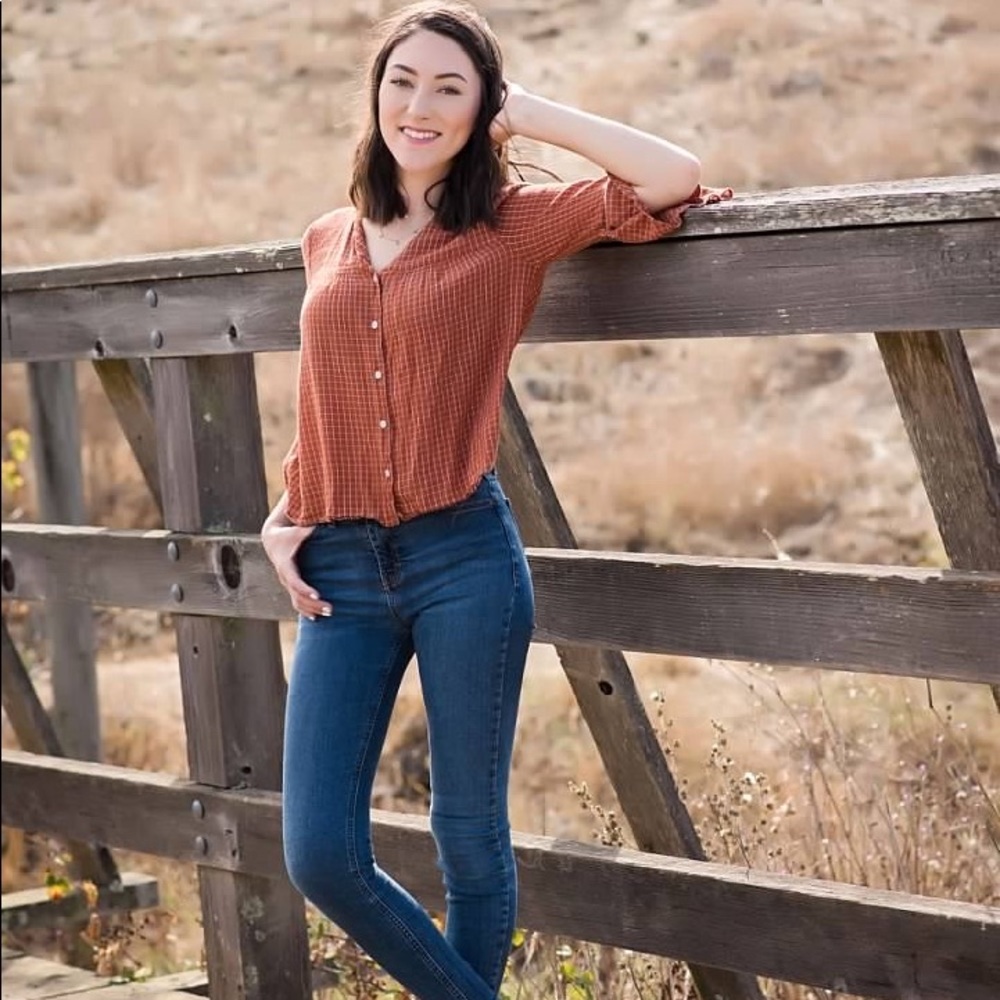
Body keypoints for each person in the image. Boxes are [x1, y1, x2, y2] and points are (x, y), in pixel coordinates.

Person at [261, 2, 729, 997]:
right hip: (338, 566)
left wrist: (531, 111)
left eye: (449, 88)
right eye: (401, 81)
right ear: (373, 91)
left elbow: (671, 177)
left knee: (468, 833)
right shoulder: (326, 237)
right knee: (319, 852)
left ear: (483, 110)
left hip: (461, 557)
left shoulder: (510, 226)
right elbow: (326, 387)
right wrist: (288, 506)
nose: (417, 105)